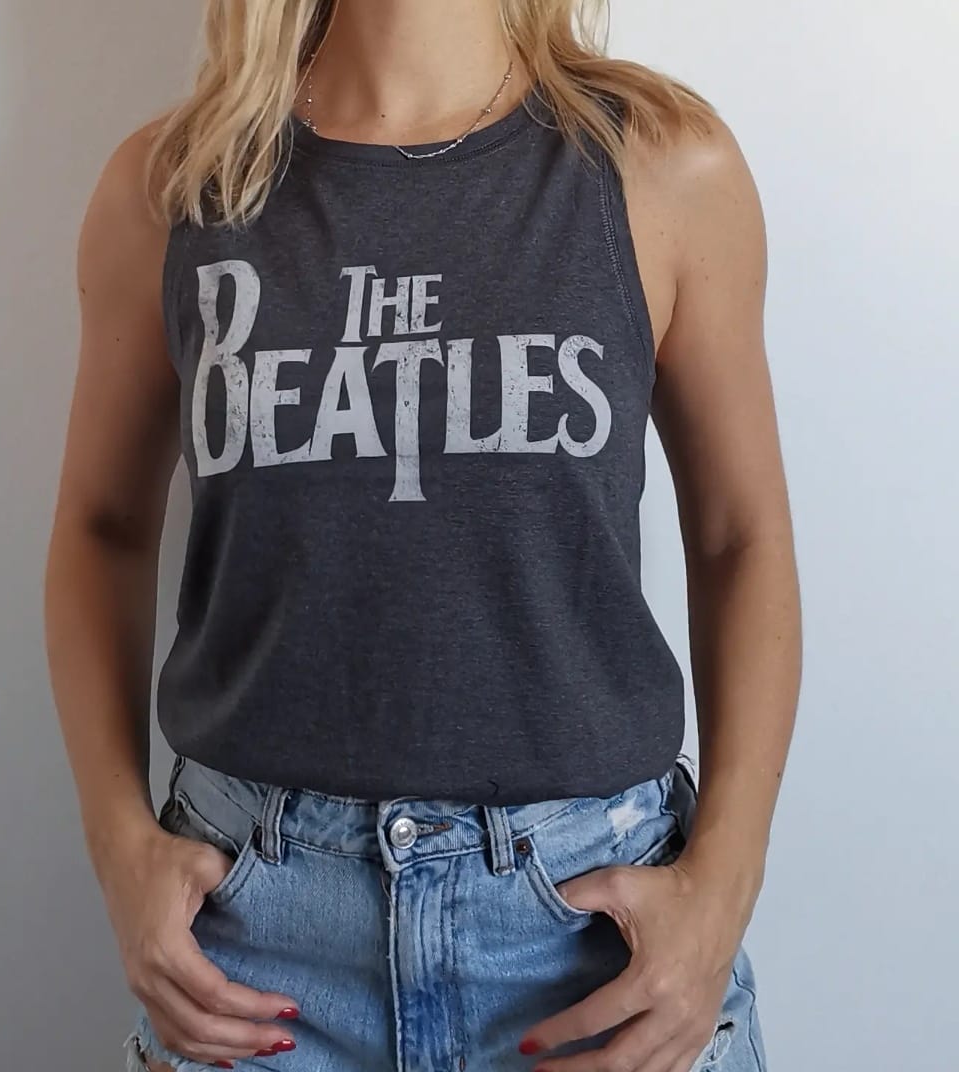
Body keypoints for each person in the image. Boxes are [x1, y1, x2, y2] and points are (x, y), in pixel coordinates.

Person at [43, 1, 801, 1070]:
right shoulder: (173, 188)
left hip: (593, 948)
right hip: (254, 955)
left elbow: (740, 538)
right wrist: (118, 842)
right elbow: (102, 526)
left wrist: (725, 880)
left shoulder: (658, 168)